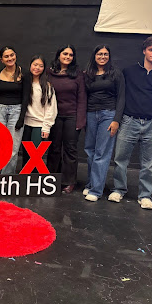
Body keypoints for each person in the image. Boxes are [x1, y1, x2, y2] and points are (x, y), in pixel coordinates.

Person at [109, 36, 152, 210]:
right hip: (128, 121)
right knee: (120, 159)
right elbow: (118, 93)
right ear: (144, 51)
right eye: (151, 49)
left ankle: (145, 195)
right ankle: (118, 189)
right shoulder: (129, 71)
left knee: (149, 163)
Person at [83, 45, 125, 202]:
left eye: (105, 54)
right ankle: (90, 183)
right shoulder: (89, 74)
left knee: (102, 153)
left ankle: (96, 190)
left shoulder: (115, 74)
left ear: (109, 56)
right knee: (90, 151)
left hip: (108, 114)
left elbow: (121, 98)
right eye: (99, 54)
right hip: (91, 114)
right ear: (94, 56)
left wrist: (116, 120)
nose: (102, 56)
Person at [47, 44, 87, 194]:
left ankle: (69, 181)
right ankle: (51, 179)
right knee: (54, 148)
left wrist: (80, 121)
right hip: (54, 116)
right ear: (59, 55)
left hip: (72, 117)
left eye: (70, 55)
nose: (67, 57)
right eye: (65, 54)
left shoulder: (77, 74)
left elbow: (82, 98)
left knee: (70, 150)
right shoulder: (50, 72)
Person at [0, 46, 30, 174]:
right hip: (0, 111)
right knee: (0, 148)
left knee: (13, 149)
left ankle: (7, 180)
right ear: (1, 60)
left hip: (17, 111)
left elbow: (26, 97)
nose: (10, 58)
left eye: (12, 55)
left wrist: (21, 118)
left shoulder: (24, 73)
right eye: (6, 56)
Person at [21, 55, 57, 168]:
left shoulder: (47, 86)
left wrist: (47, 126)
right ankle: (24, 181)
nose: (37, 68)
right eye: (35, 65)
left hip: (39, 125)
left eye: (40, 66)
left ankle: (34, 182)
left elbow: (51, 108)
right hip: (25, 124)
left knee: (35, 157)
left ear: (44, 68)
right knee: (25, 155)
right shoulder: (24, 82)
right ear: (30, 65)